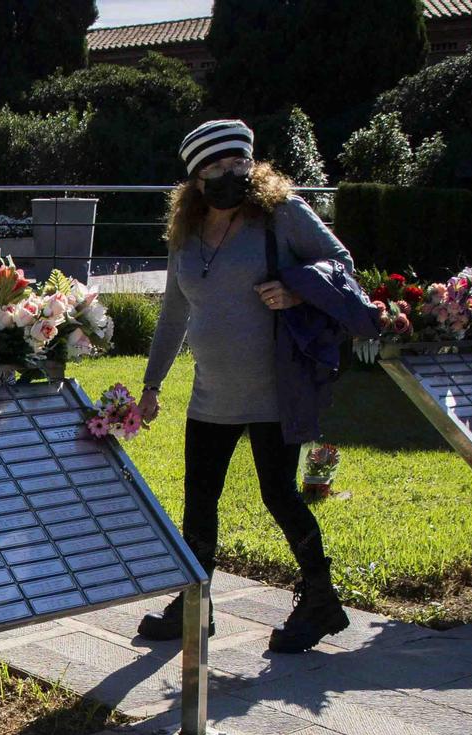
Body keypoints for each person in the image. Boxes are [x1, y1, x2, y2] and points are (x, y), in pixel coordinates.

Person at [136, 119, 357, 653]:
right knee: (199, 500)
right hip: (212, 393)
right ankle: (196, 604)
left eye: (236, 164)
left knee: (279, 494)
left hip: (273, 389)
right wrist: (151, 384)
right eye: (213, 168)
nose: (228, 174)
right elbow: (173, 313)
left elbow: (342, 263)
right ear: (195, 178)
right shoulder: (186, 234)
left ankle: (321, 597)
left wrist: (297, 290)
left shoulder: (281, 215)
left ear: (251, 164)